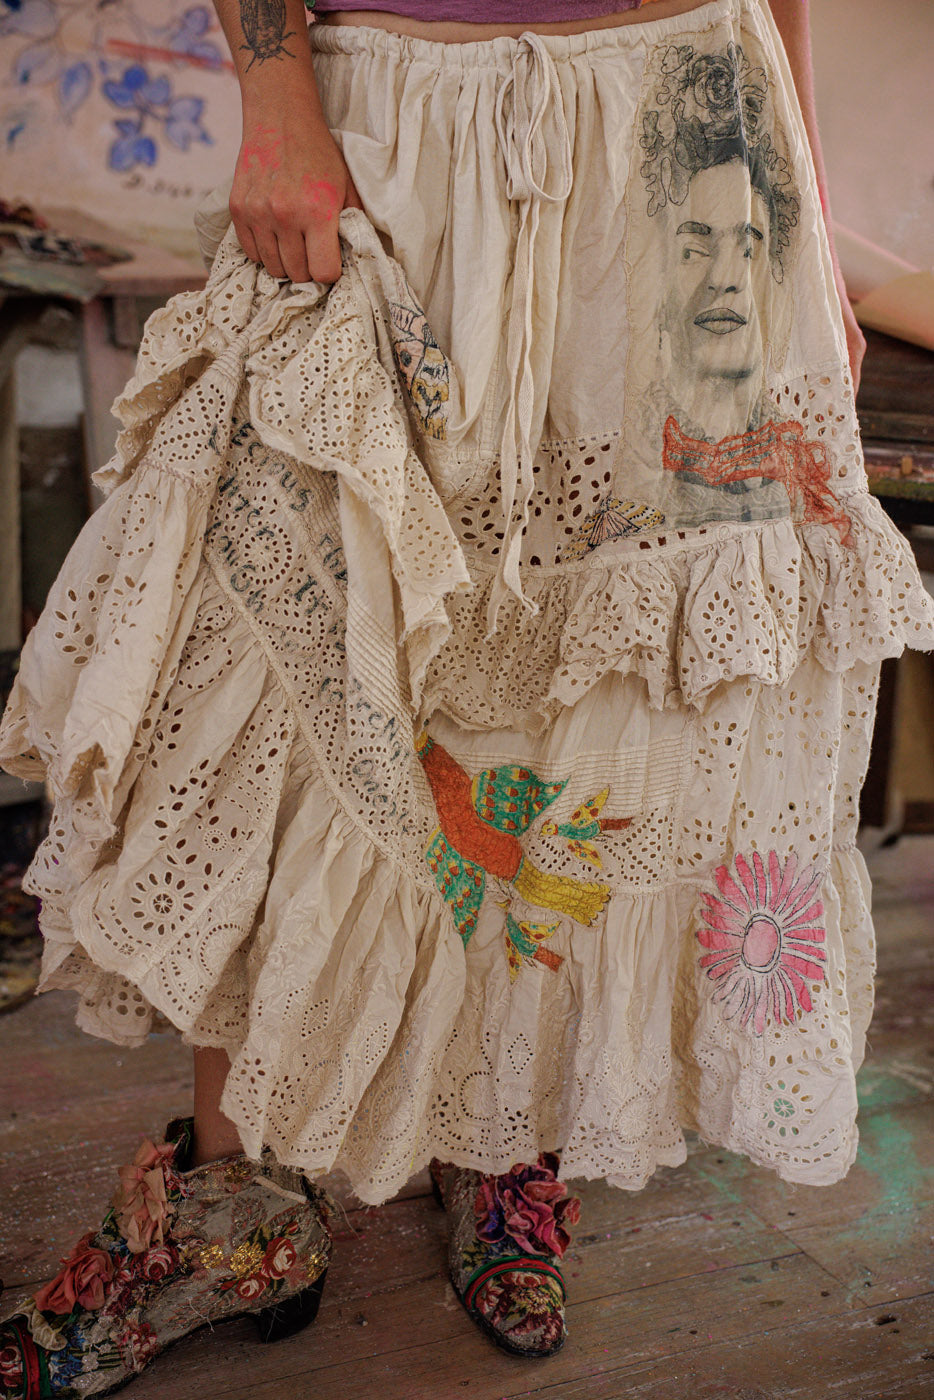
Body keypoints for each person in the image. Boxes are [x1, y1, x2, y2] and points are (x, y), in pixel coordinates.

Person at [2, 0, 933, 1393]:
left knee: (602, 689)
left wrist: (794, 178)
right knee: (272, 664)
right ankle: (230, 1206)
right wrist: (274, 98)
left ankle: (500, 1135)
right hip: (394, 125)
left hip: (690, 127)